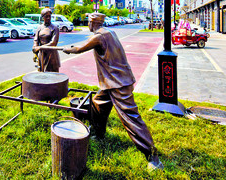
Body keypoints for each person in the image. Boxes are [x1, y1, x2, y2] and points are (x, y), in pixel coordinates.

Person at [62, 12, 163, 171]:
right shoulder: (109, 32)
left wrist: (67, 49)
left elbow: (79, 48)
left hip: (118, 84)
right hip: (111, 82)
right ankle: (98, 134)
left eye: (88, 21)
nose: (88, 24)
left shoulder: (99, 37)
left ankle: (152, 155)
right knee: (98, 104)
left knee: (130, 117)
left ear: (92, 22)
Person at [32, 8, 61, 72]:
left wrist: (40, 47)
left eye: (49, 16)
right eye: (46, 16)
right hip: (42, 54)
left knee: (52, 75)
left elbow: (53, 43)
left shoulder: (55, 28)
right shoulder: (39, 27)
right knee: (42, 74)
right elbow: (36, 40)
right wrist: (35, 47)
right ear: (43, 17)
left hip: (51, 54)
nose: (48, 18)